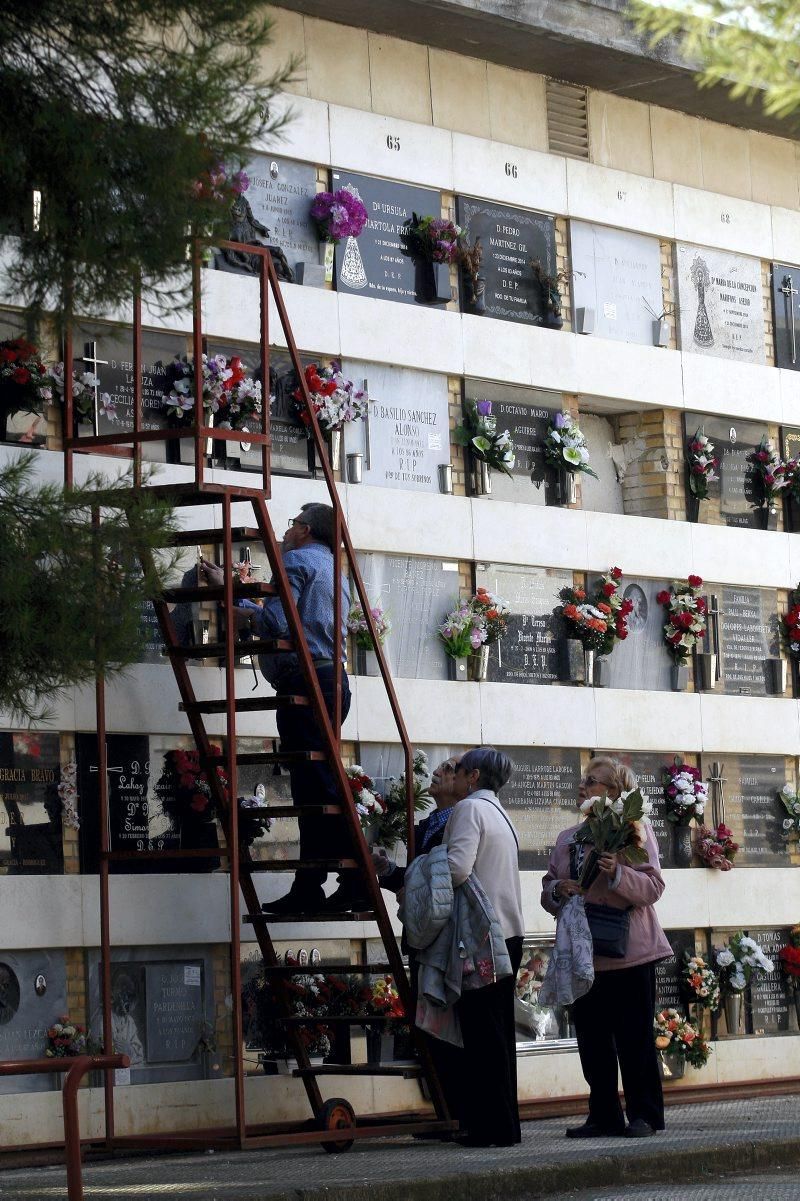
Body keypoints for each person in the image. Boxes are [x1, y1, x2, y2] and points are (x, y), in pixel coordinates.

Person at [203, 502, 352, 914]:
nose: (286, 532)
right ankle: (311, 883)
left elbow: (280, 625)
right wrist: (246, 604)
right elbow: (298, 622)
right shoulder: (330, 566)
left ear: (304, 529)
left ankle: (355, 873)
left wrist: (244, 604)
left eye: (292, 524)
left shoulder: (295, 561)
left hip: (306, 684)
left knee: (318, 788)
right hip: (331, 679)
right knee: (312, 788)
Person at [541, 756, 672, 1140]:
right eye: (584, 780)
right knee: (593, 1040)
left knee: (635, 1039)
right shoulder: (568, 838)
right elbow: (549, 886)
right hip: (584, 955)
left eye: (593, 782)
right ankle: (603, 1114)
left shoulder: (634, 830)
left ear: (615, 792)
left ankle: (644, 1114)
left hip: (630, 951)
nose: (584, 786)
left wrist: (618, 872)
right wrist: (556, 891)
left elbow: (653, 888)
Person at [444, 747, 524, 1148]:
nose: (453, 778)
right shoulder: (499, 811)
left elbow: (458, 867)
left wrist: (422, 875)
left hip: (481, 935)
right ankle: (505, 1125)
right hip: (509, 931)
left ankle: (489, 1128)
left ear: (473, 776)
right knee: (499, 1032)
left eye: (457, 771)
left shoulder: (469, 810)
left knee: (481, 1033)